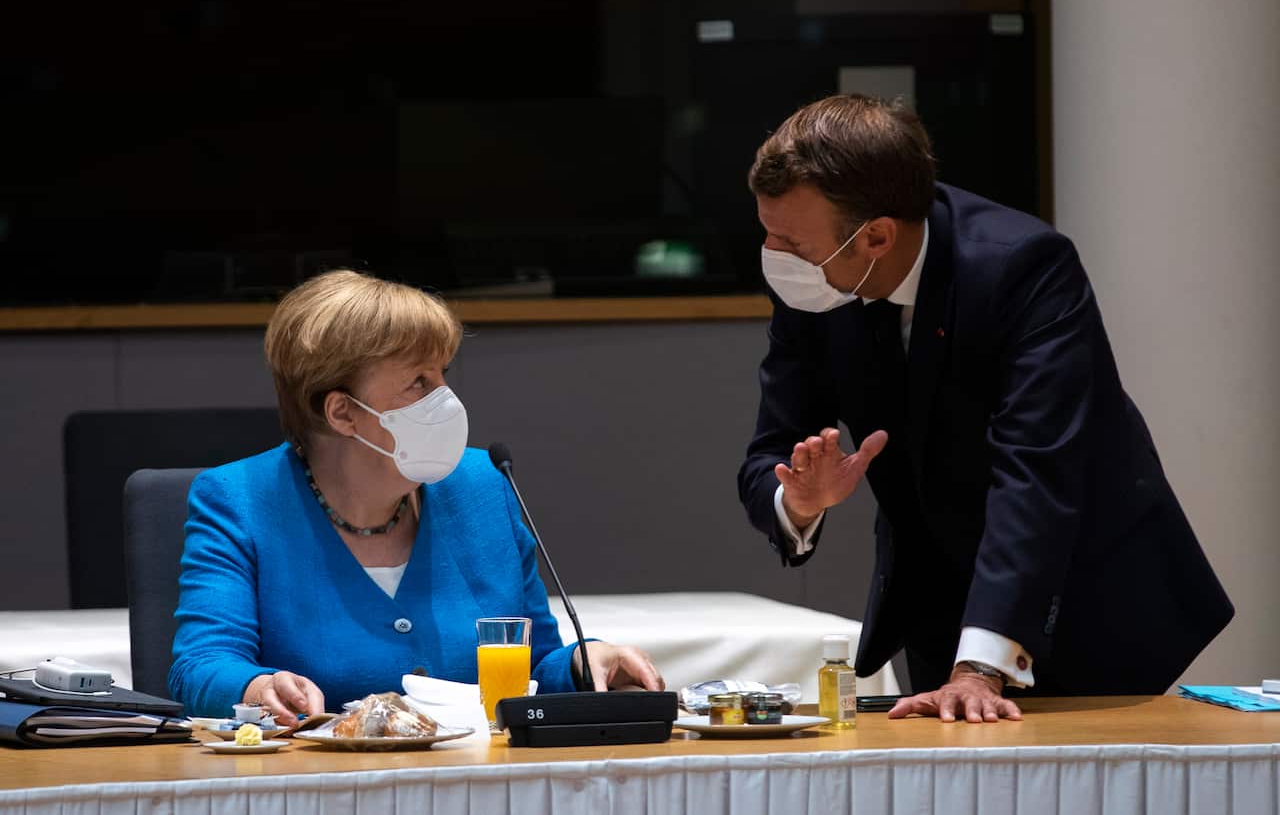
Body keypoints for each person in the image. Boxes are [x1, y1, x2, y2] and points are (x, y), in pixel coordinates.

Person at [737, 94, 1233, 723]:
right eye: (768, 233)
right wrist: (800, 500)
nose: (775, 256)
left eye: (792, 242)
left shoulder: (1025, 267)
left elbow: (1036, 469)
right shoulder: (815, 275)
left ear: (876, 237)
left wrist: (979, 667)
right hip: (940, 597)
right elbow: (770, 449)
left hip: (1086, 595)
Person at [170, 269, 664, 723]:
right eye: (419, 382)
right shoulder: (239, 499)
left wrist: (586, 661)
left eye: (443, 375)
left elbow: (533, 663)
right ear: (343, 413)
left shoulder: (484, 484)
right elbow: (201, 665)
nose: (446, 400)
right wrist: (257, 685)